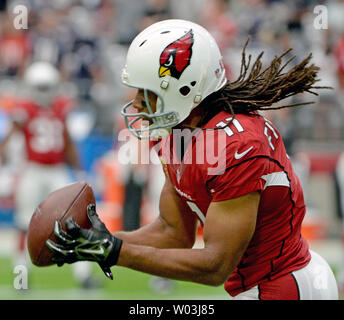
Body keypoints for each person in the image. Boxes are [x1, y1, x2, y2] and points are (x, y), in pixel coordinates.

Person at [46, 19, 339, 300]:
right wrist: (96, 241)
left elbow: (215, 266)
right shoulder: (179, 133)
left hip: (284, 284)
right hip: (263, 284)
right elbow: (172, 232)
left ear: (183, 91)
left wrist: (116, 252)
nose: (135, 103)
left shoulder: (236, 146)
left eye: (145, 93)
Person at [0, 61, 99, 289]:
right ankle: (21, 275)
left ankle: (83, 275)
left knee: (75, 222)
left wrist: (80, 170)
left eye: (47, 87)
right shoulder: (24, 109)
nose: (44, 92)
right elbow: (9, 138)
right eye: (40, 87)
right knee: (23, 225)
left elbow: (67, 141)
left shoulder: (60, 108)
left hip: (56, 170)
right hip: (32, 170)